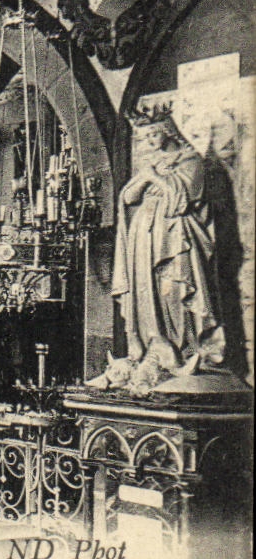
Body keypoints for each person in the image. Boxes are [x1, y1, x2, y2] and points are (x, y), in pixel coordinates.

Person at [112, 114, 223, 370]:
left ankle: (184, 349)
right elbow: (128, 197)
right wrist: (146, 177)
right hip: (144, 234)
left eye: (153, 134)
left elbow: (182, 199)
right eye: (145, 137)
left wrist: (153, 177)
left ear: (168, 131)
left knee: (174, 287)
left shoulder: (191, 160)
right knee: (145, 287)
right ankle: (153, 346)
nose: (150, 141)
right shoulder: (153, 162)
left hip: (173, 235)